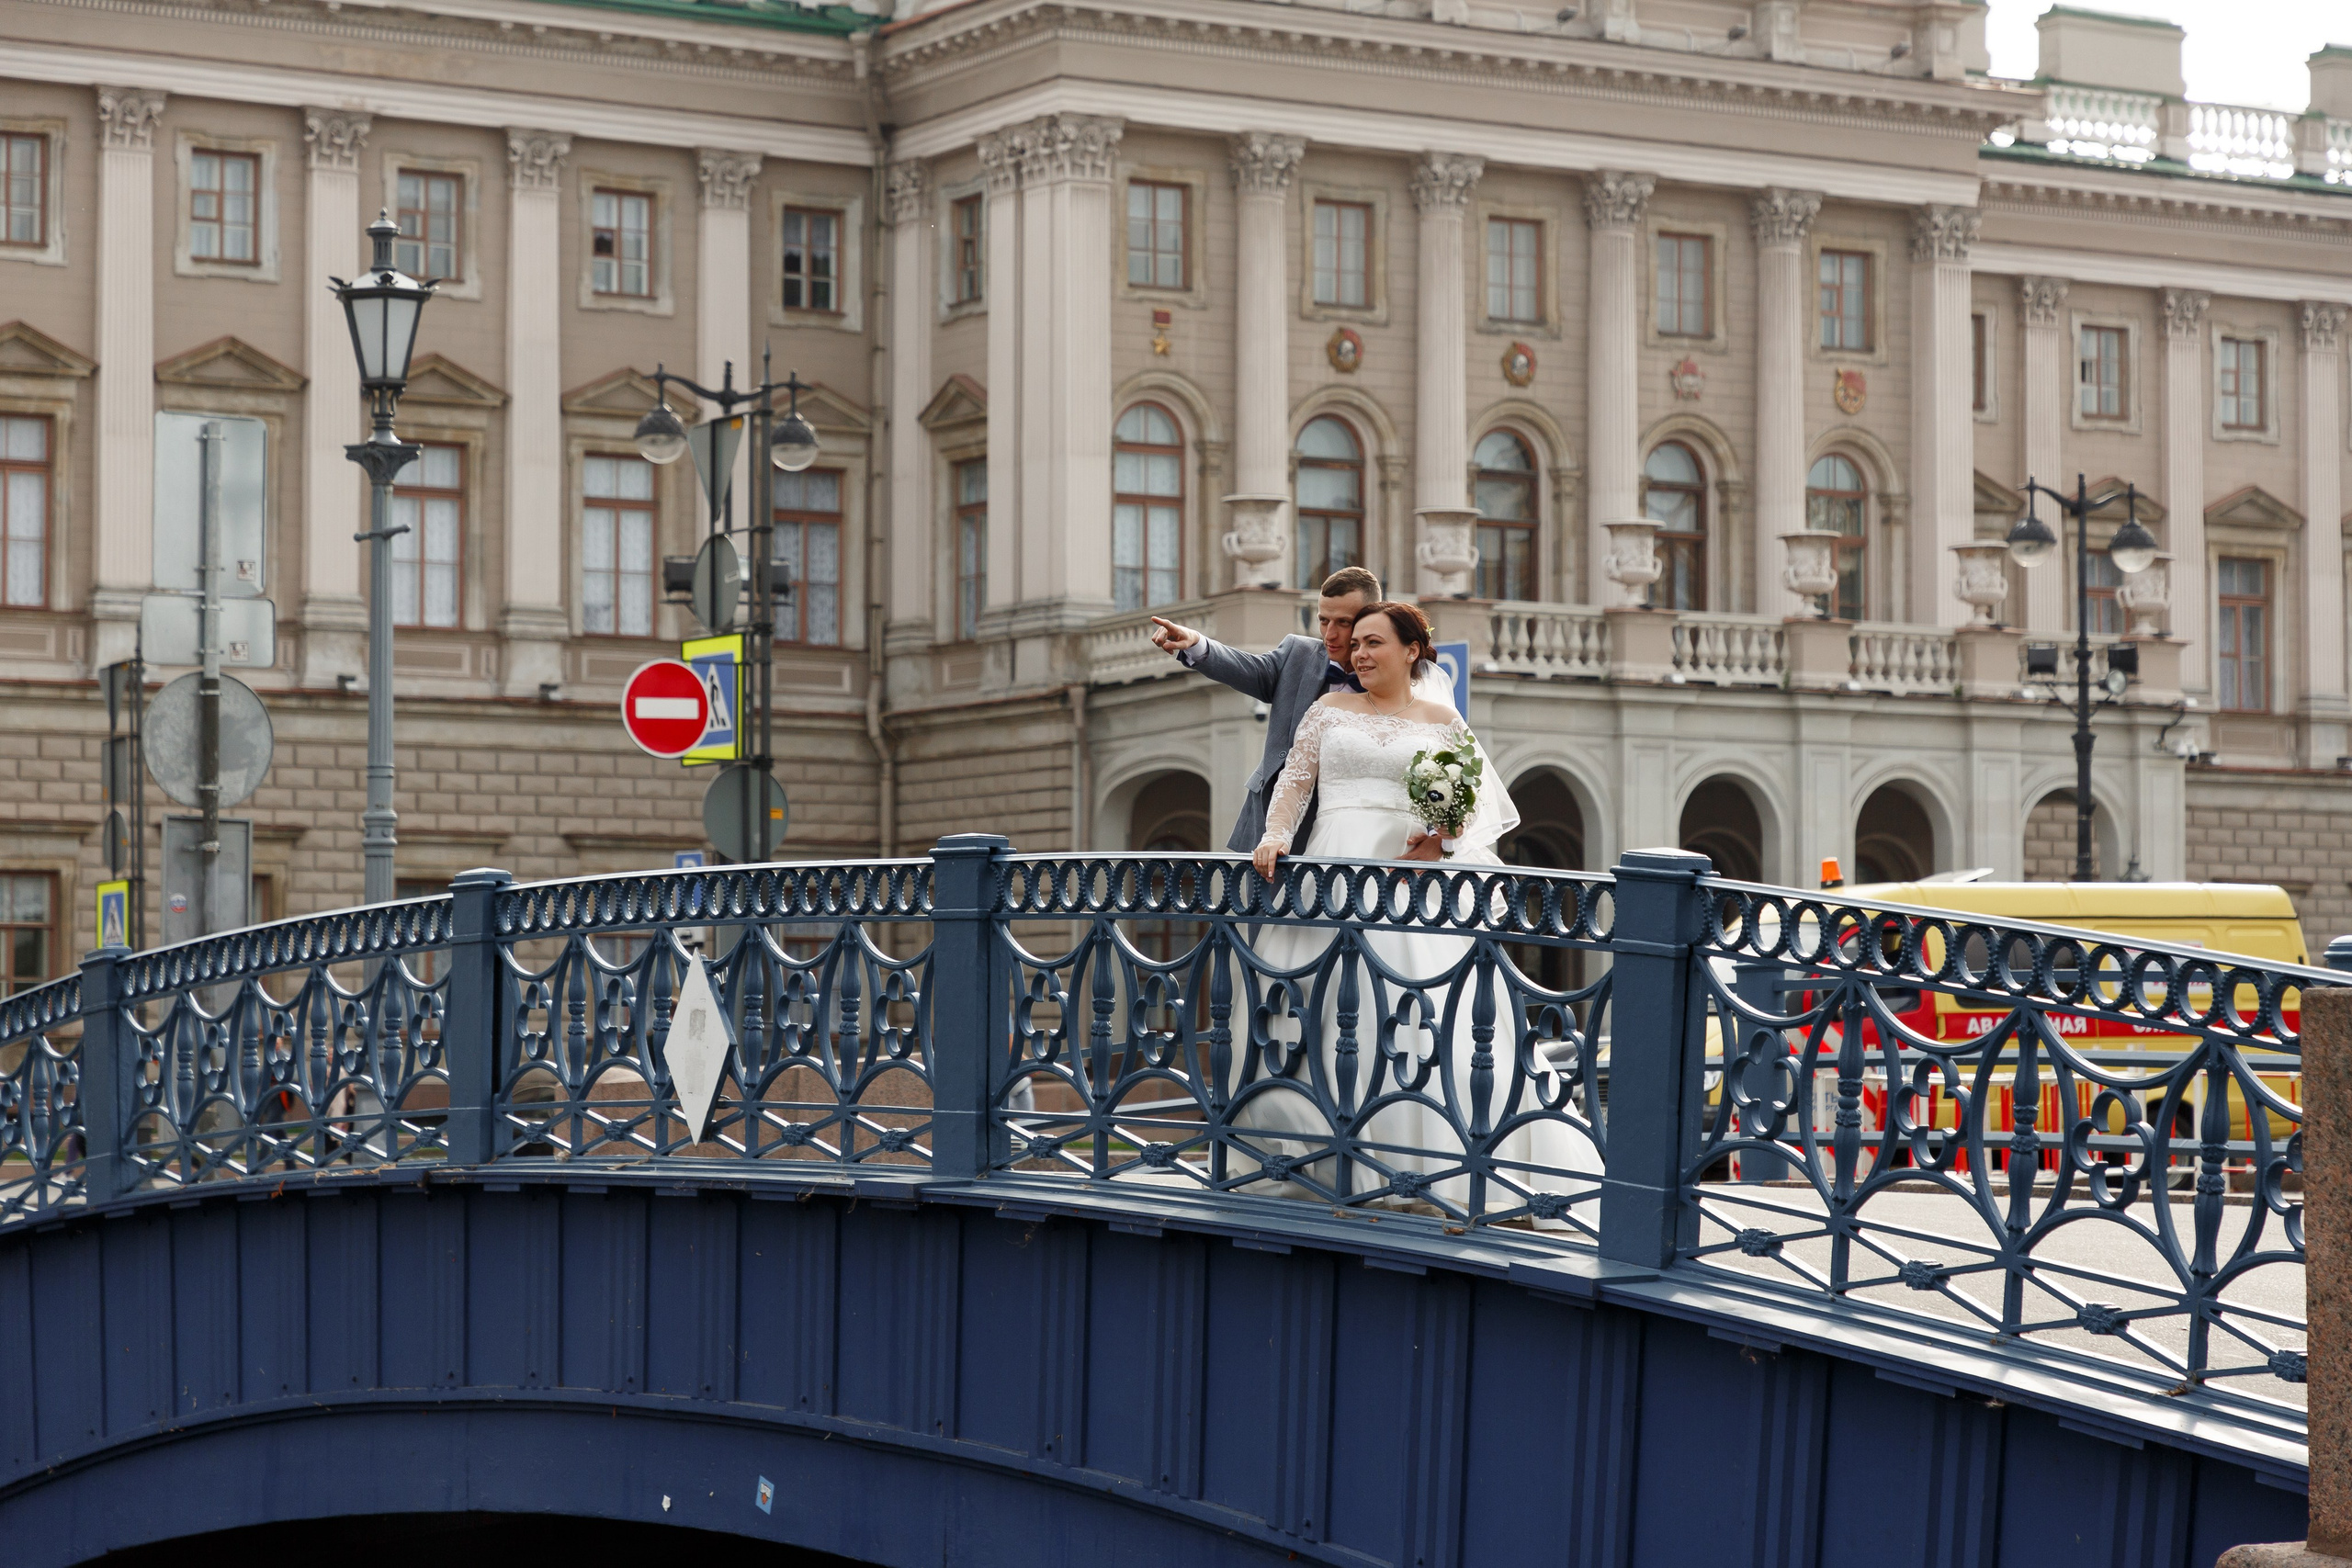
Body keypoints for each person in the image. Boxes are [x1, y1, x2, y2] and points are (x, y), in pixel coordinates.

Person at [1224, 602, 1589, 1222]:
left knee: (1414, 1014)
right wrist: (1276, 836)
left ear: (1411, 650)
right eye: (1356, 644)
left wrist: (1439, 841)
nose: (1359, 653)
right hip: (1330, 874)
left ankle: (1424, 1165)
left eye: (1373, 643)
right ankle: (1316, 1162)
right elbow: (1295, 783)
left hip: (1404, 882)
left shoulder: (1441, 719)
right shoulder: (1328, 709)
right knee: (1312, 1009)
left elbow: (1465, 806)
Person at [1148, 566, 1442, 862]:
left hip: (1384, 839)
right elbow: (1251, 670)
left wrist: (1439, 841)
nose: (1330, 634)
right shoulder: (1297, 654)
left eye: (1344, 623)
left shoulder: (1420, 691)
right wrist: (1196, 643)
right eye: (1323, 620)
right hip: (1275, 832)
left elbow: (1445, 776)